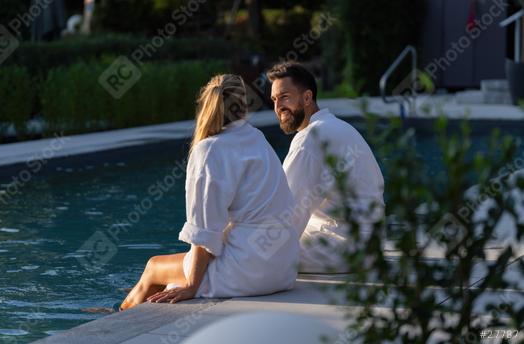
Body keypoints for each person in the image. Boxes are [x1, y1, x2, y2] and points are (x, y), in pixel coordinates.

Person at [120, 74, 299, 310]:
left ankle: (116, 317)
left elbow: (204, 231)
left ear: (206, 105)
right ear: (243, 105)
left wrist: (192, 286)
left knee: (153, 267)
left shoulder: (209, 150)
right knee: (169, 276)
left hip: (250, 271)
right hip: (284, 267)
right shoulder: (256, 138)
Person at [267, 62, 385, 273]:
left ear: (307, 97)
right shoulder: (338, 127)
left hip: (342, 248)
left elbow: (287, 214)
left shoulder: (309, 140)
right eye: (274, 100)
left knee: (244, 250)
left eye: (284, 97)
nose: (278, 108)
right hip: (370, 244)